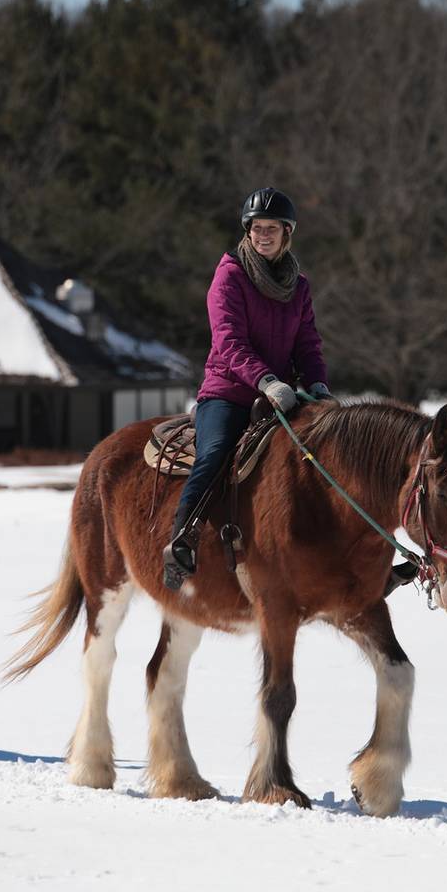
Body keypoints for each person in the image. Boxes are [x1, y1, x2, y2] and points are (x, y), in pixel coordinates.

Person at [161, 187, 332, 590]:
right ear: (248, 231)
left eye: (272, 228)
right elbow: (228, 340)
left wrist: (319, 385)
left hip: (283, 396)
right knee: (216, 451)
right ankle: (181, 540)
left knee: (331, 450)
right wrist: (265, 380)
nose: (263, 235)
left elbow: (308, 343)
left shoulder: (299, 286)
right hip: (228, 392)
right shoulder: (230, 275)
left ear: (287, 233)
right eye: (257, 228)